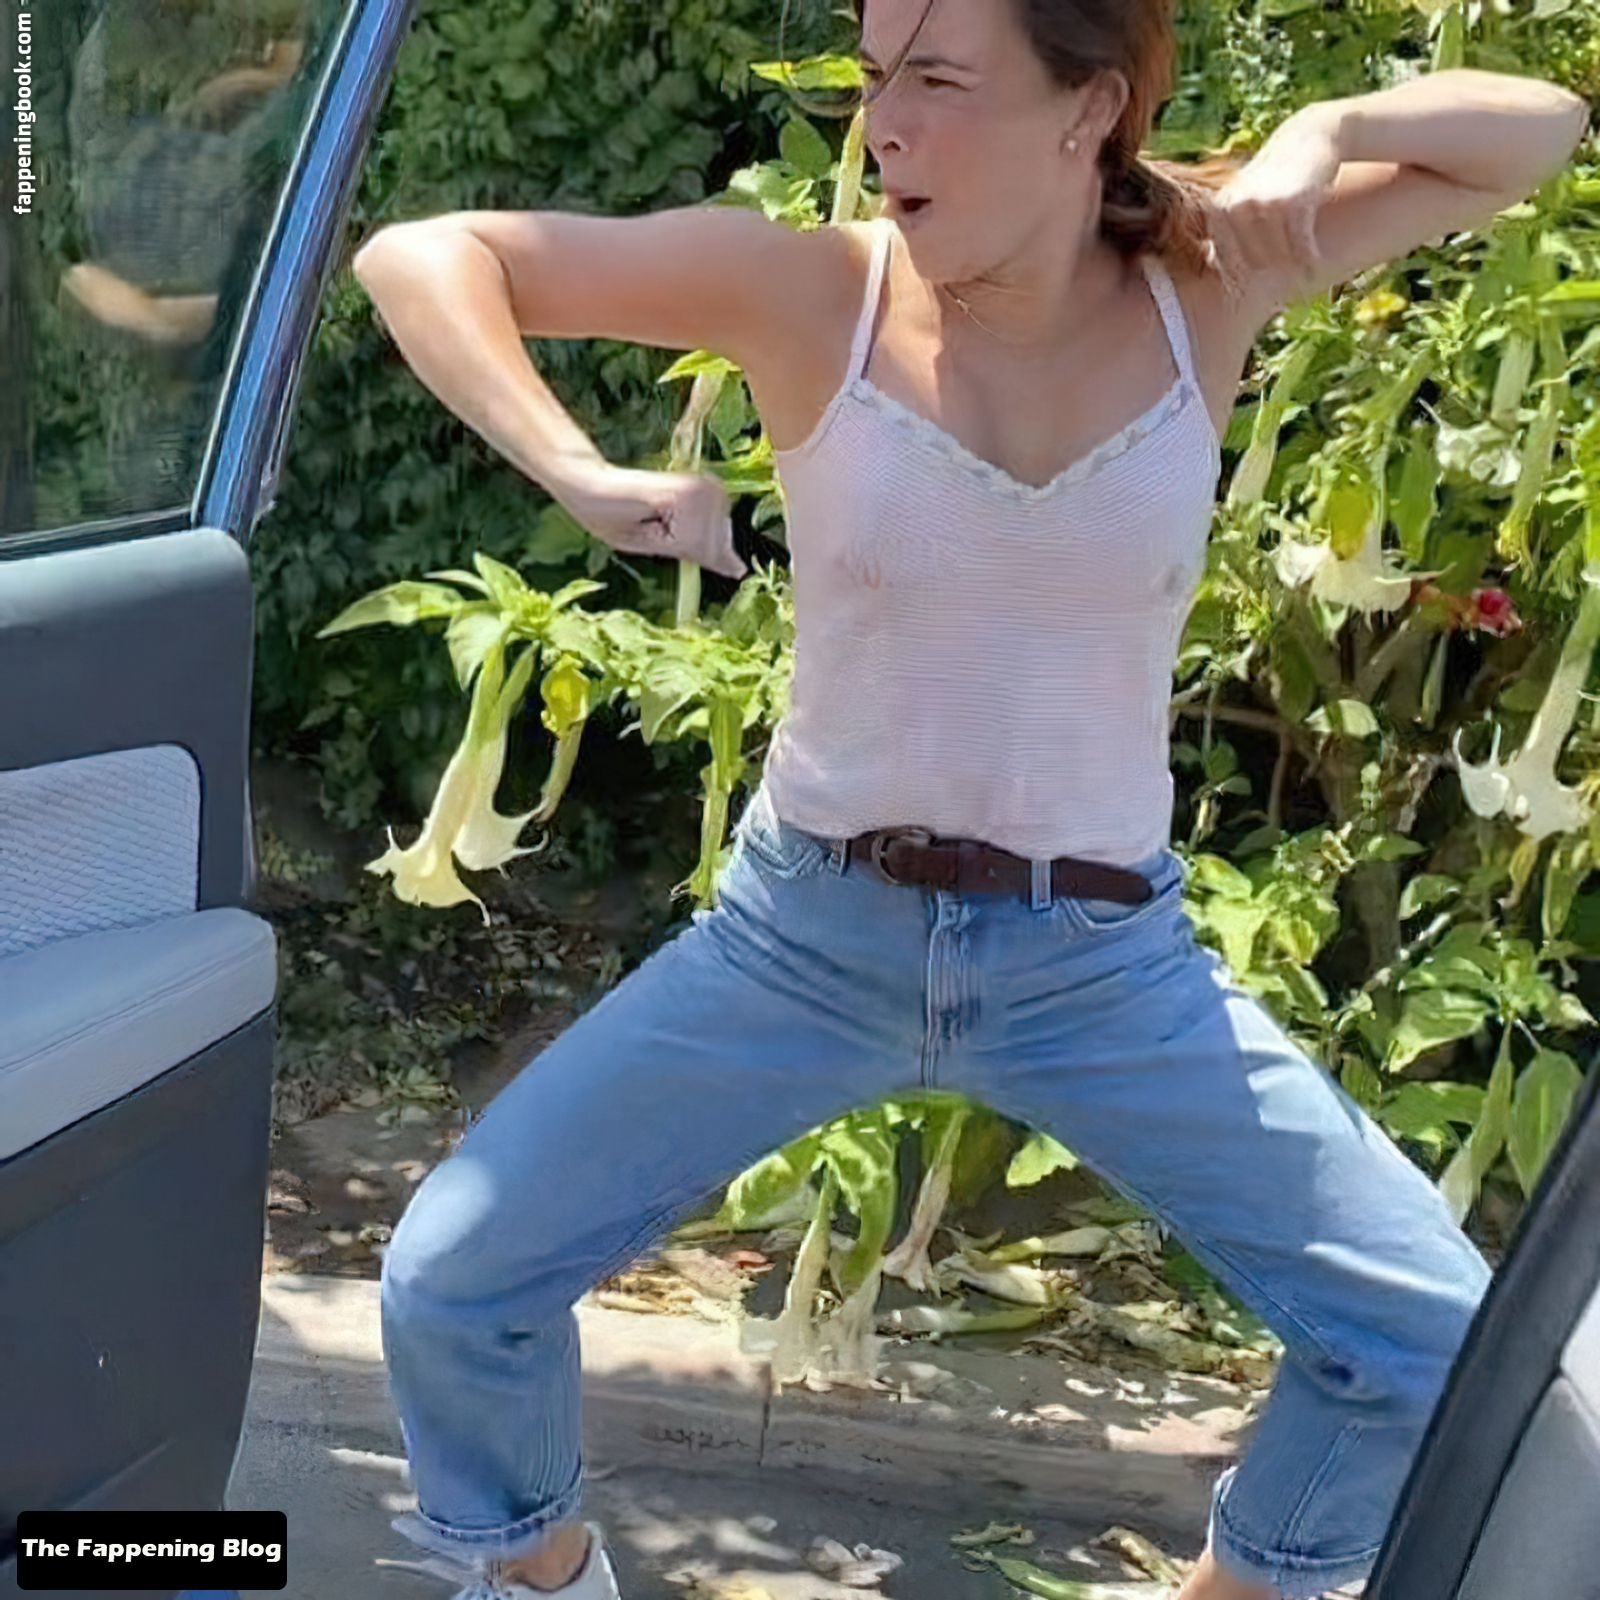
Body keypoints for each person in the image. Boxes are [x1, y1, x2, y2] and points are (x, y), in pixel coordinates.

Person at [353, 2, 1589, 1596]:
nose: (885, 125)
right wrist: (582, 472)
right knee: (453, 1285)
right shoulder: (812, 289)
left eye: (937, 80)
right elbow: (423, 255)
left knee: (1436, 1348)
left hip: (1104, 969)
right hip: (808, 942)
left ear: (1087, 110)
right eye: (877, 79)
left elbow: (1542, 128)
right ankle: (538, 1579)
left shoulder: (1210, 274)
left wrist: (1333, 129)